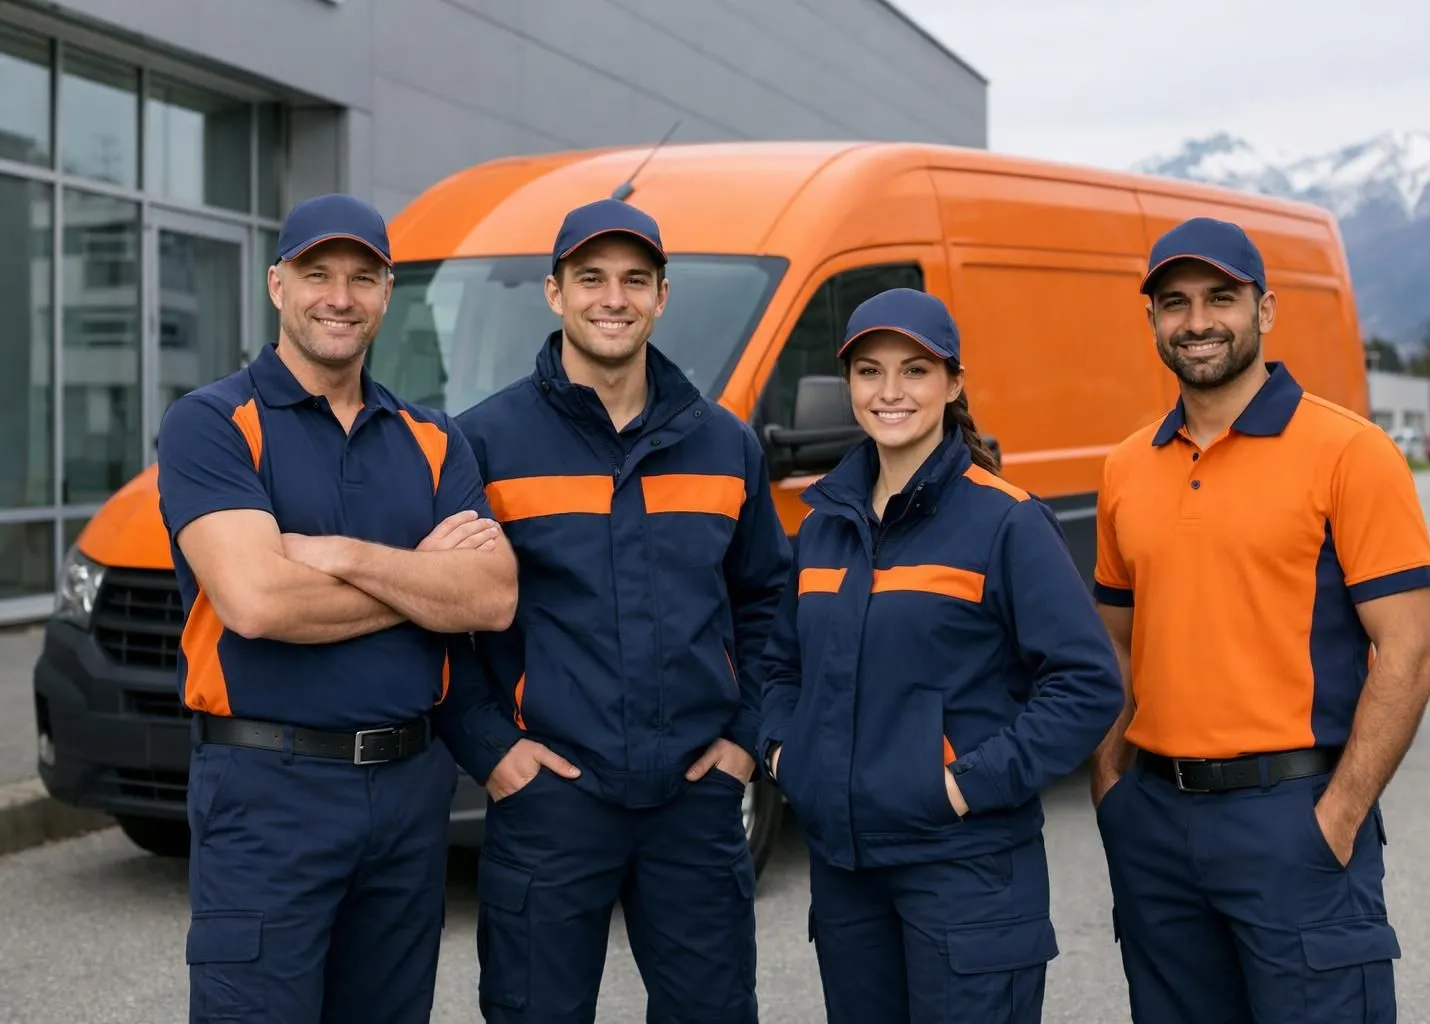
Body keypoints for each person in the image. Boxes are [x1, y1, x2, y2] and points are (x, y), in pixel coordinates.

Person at [155, 192, 522, 1024]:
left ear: (388, 292)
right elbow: (255, 601)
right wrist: (424, 585)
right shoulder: (211, 424)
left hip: (407, 793)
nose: (340, 296)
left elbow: (492, 595)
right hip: (267, 792)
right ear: (277, 283)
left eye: (363, 277)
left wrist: (345, 557)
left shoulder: (433, 439)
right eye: (318, 273)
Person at [1089, 216, 1430, 1023]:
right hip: (1155, 823)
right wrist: (1111, 785)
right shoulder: (1124, 468)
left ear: (1265, 309)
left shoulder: (1349, 452)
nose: (1198, 320)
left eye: (1222, 297)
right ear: (1152, 322)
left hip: (1292, 819)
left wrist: (1340, 813)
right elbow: (1113, 643)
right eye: (1174, 303)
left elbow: (1412, 650)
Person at [448, 198, 793, 1024]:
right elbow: (440, 624)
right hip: (549, 801)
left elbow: (769, 604)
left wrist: (746, 742)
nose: (614, 297)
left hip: (695, 804)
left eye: (636, 280)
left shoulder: (725, 444)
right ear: (554, 292)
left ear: (662, 296)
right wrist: (494, 751)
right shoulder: (481, 443)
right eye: (591, 278)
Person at [756, 287, 1126, 1024]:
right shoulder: (824, 525)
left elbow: (1087, 685)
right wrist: (785, 758)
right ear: (848, 387)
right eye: (869, 372)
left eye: (915, 370)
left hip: (966, 871)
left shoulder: (1005, 522)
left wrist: (963, 785)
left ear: (953, 383)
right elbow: (778, 666)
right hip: (848, 874)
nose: (890, 392)